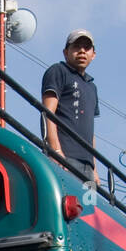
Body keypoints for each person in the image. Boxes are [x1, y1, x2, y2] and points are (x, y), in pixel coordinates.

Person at [41, 31, 99, 179]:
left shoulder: (92, 87)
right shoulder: (58, 71)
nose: (82, 51)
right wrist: (55, 150)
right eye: (76, 47)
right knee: (65, 201)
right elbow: (47, 112)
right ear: (66, 52)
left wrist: (95, 169)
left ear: (93, 55)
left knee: (87, 201)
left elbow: (90, 130)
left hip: (88, 166)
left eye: (87, 48)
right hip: (65, 157)